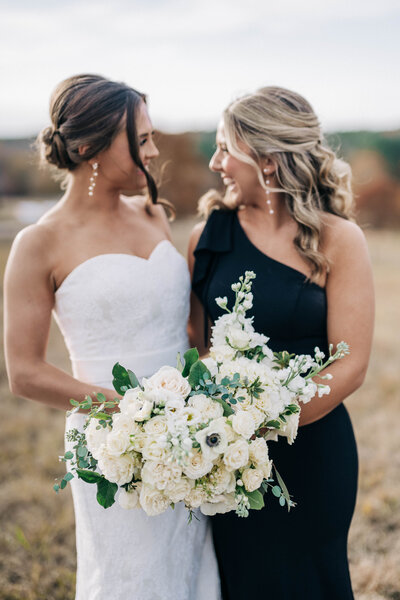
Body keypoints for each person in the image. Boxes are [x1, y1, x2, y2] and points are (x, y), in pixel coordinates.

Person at [4, 74, 220, 600]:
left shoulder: (153, 215)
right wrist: (135, 414)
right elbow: (25, 374)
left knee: (192, 570)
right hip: (112, 440)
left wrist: (211, 402)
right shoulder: (40, 243)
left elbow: (190, 330)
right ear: (87, 149)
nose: (153, 152)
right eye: (141, 140)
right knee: (132, 579)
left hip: (191, 432)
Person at [188, 86, 374, 599]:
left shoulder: (338, 238)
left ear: (267, 161)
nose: (215, 161)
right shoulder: (207, 237)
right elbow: (197, 345)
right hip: (225, 459)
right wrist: (224, 432)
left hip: (314, 452)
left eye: (226, 148)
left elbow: (351, 362)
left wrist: (265, 419)